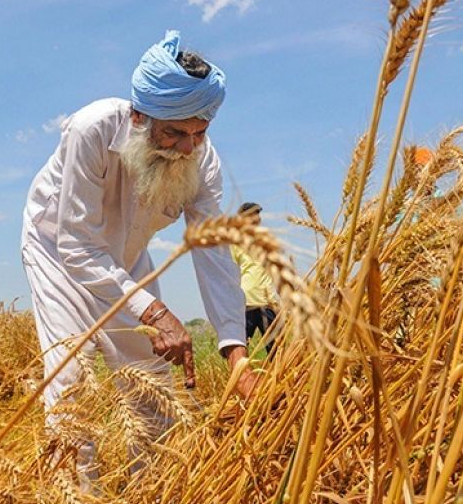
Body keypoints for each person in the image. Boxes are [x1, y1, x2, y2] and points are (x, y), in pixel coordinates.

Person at [20, 30, 257, 478]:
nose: (187, 147)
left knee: (153, 391)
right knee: (72, 389)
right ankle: (74, 501)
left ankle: (152, 493)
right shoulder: (92, 129)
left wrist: (235, 352)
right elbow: (76, 243)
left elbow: (213, 251)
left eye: (200, 132)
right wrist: (152, 311)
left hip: (127, 266)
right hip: (58, 255)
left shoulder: (200, 159)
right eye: (174, 133)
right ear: (138, 117)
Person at [231, 203, 280, 354]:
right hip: (247, 302)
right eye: (252, 214)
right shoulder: (236, 243)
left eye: (257, 214)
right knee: (241, 347)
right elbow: (231, 272)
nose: (256, 218)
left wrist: (278, 300)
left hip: (267, 302)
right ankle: (241, 376)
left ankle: (276, 377)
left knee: (276, 349)